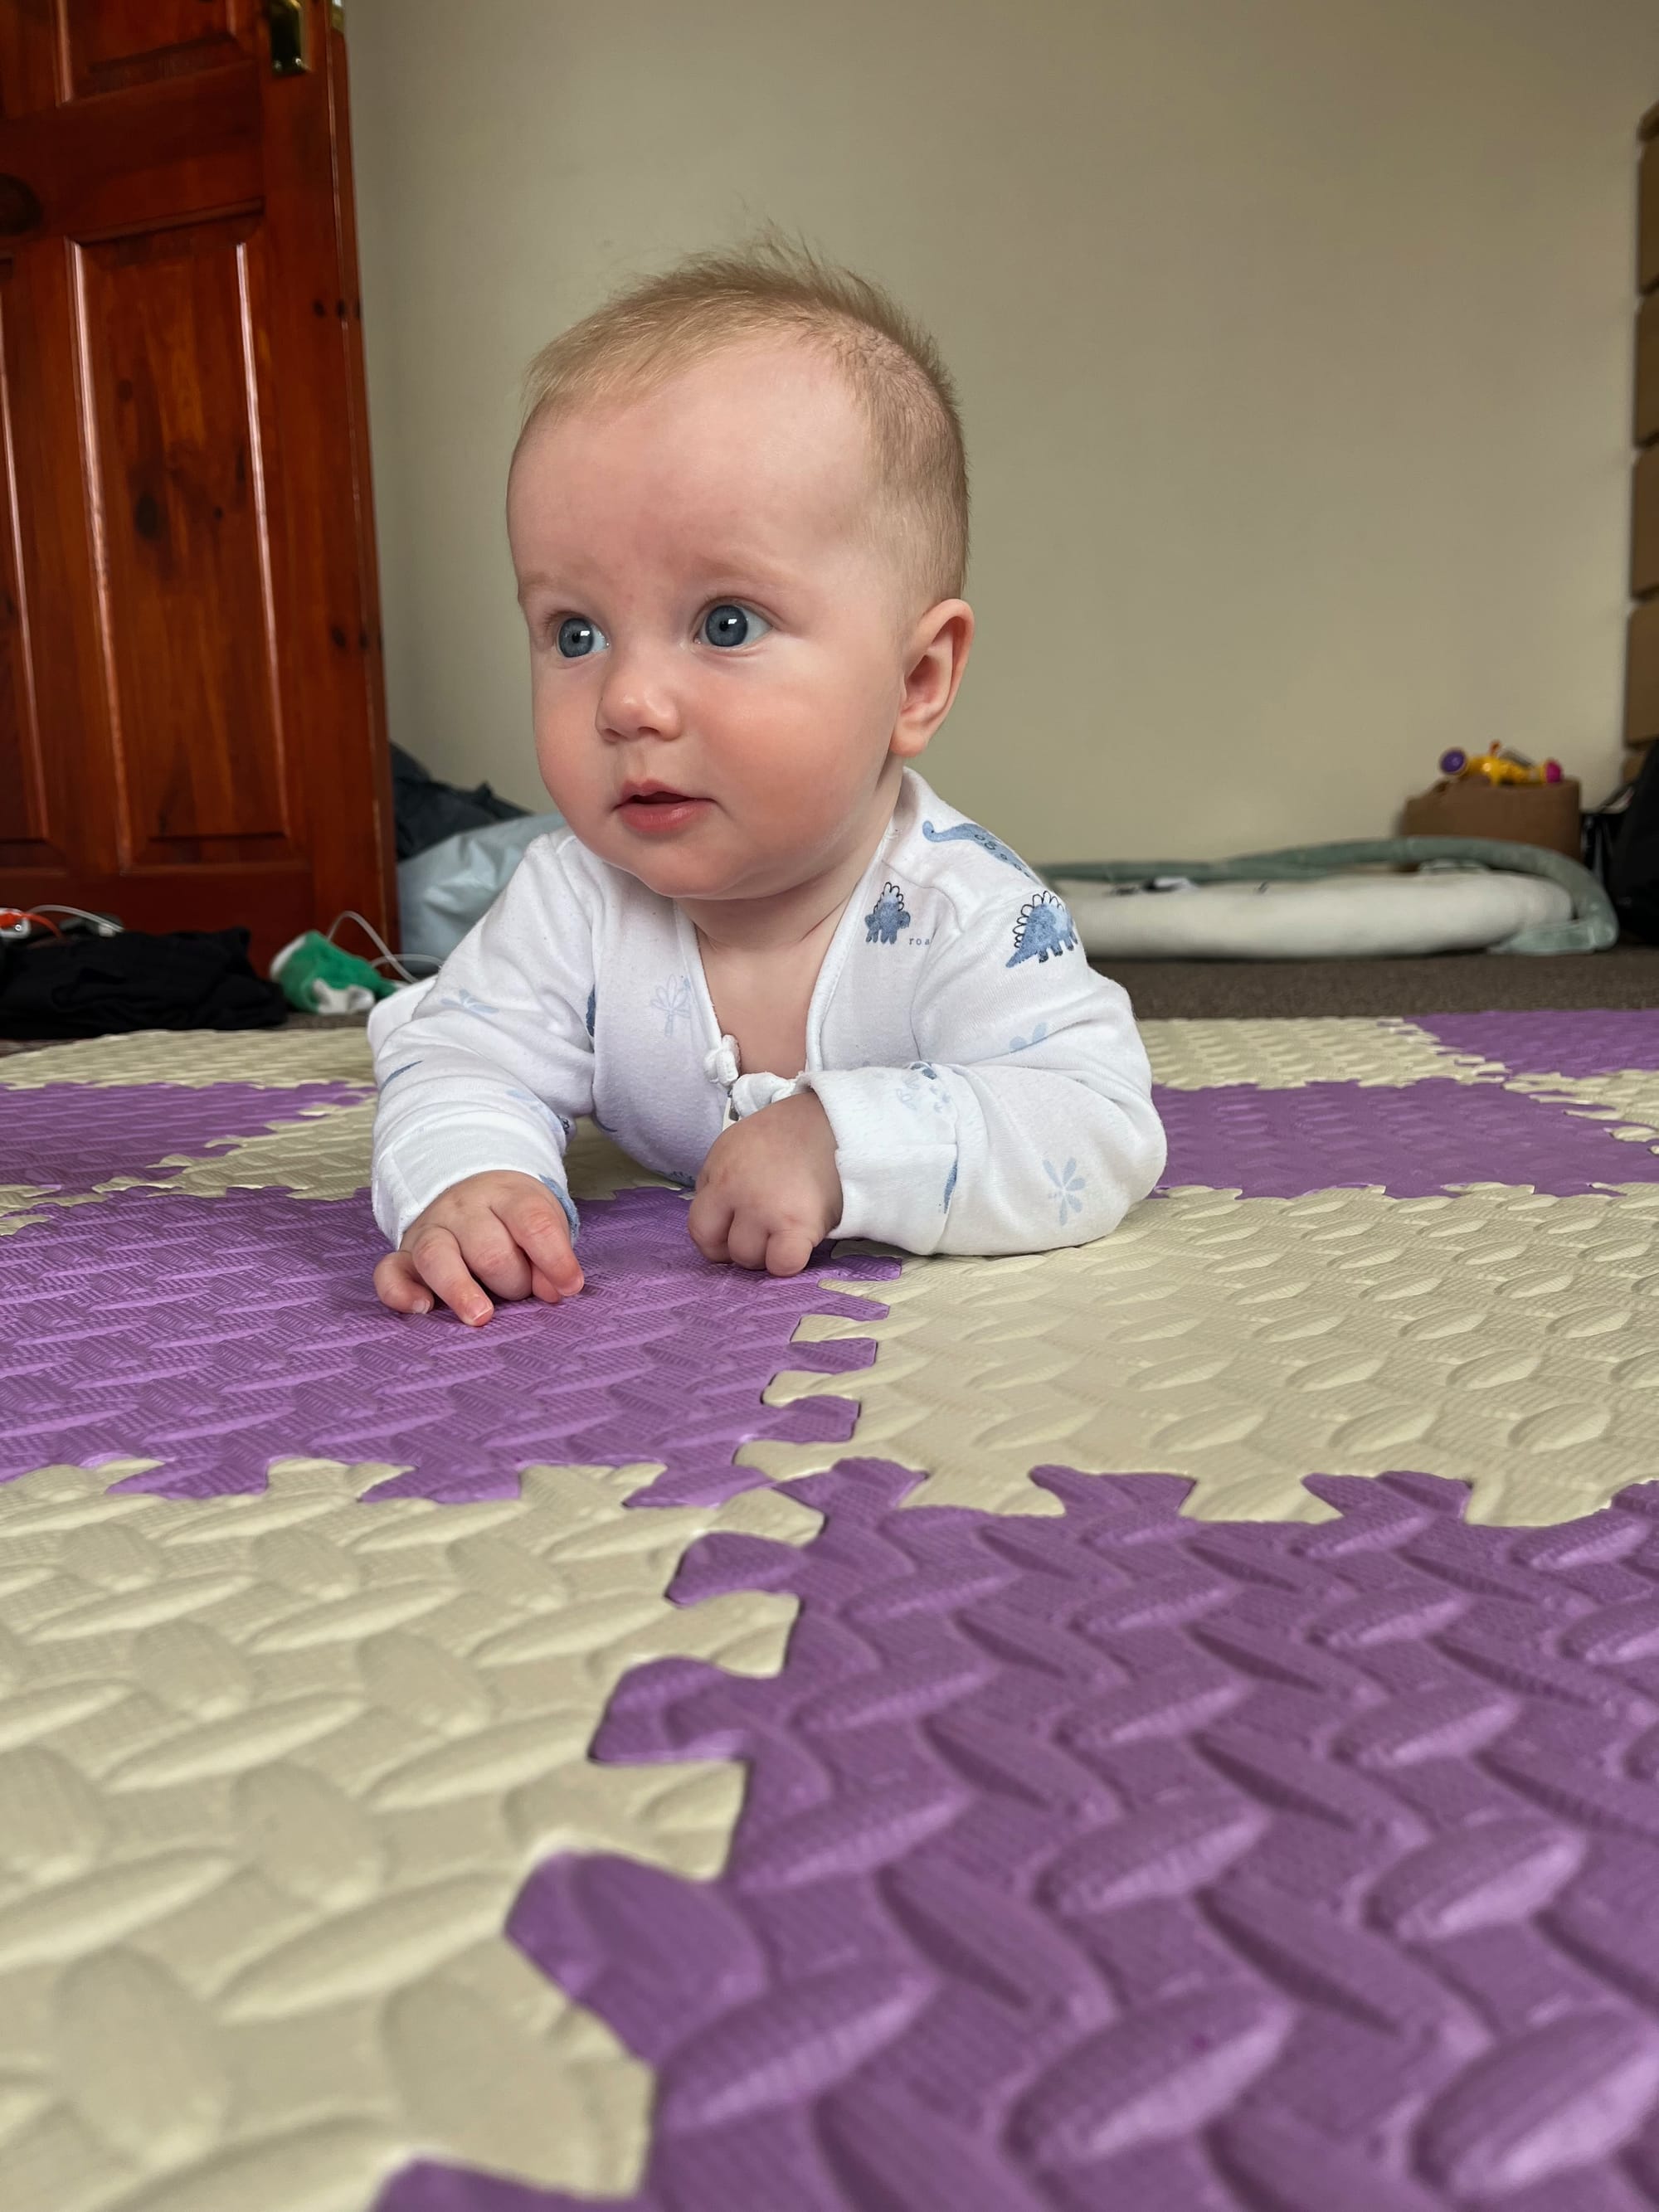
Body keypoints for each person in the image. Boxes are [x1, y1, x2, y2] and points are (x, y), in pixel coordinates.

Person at [369, 238, 1165, 1325]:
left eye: (727, 623)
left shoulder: (971, 918)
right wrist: (471, 1179)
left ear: (916, 680)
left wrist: (849, 1145)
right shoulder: (572, 896)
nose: (627, 702)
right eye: (575, 632)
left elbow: (1095, 1121)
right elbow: (462, 1062)